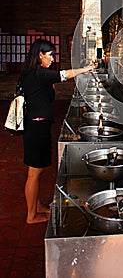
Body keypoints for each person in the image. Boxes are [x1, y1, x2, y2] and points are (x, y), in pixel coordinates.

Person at [19, 39, 93, 224]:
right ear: (40, 55)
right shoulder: (37, 73)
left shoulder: (34, 74)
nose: (52, 58)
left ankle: (37, 207)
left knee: (38, 171)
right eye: (50, 55)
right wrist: (84, 69)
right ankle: (31, 215)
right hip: (36, 127)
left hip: (39, 125)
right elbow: (63, 75)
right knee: (33, 174)